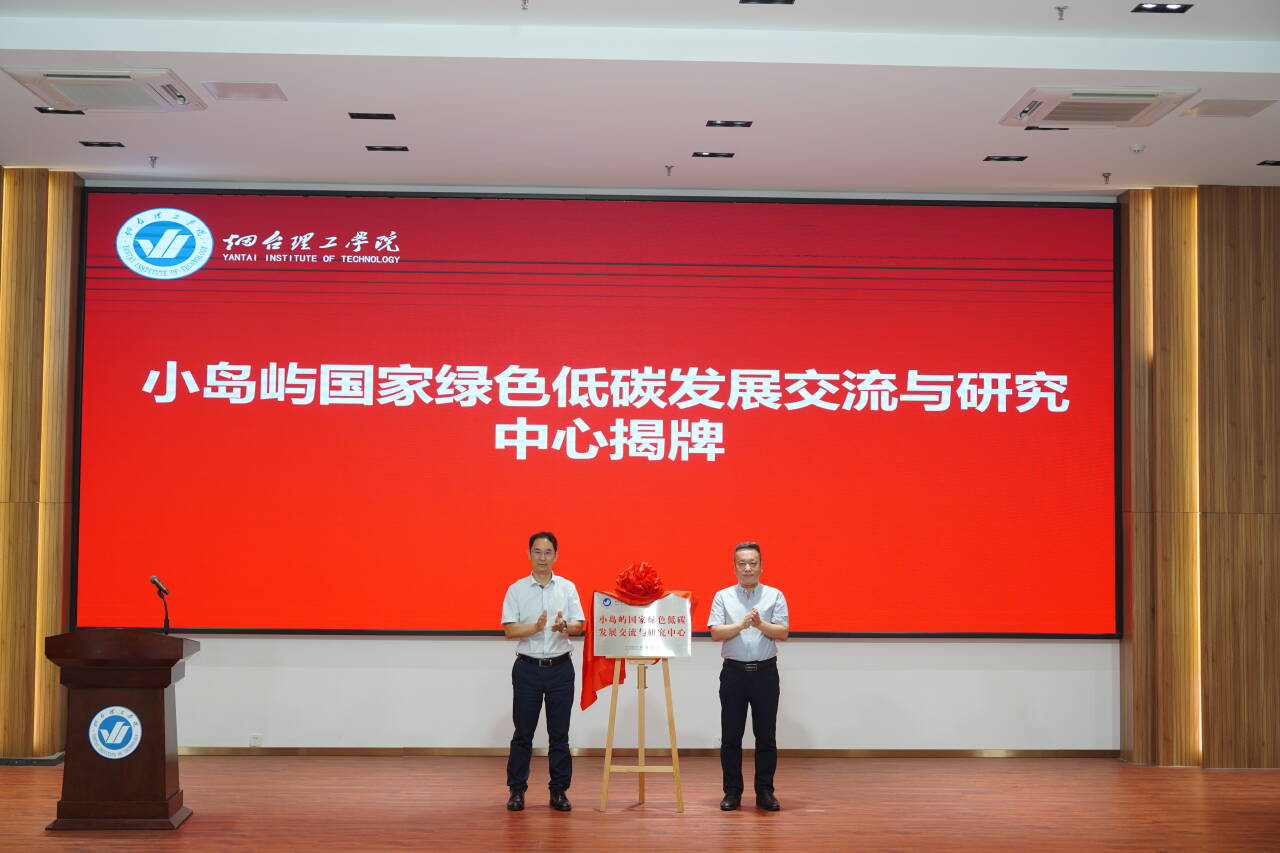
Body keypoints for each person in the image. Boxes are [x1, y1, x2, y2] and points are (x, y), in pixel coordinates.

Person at [501, 531, 584, 812]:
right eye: (537, 552)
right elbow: (510, 630)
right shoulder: (516, 590)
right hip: (527, 669)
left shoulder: (567, 588)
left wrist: (564, 626)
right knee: (523, 733)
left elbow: (578, 626)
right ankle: (517, 790)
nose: (542, 558)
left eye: (548, 552)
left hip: (561, 669)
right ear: (529, 554)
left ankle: (559, 791)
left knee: (559, 734)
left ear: (556, 556)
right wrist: (535, 628)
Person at [707, 540, 790, 812]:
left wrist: (760, 623)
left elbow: (783, 633)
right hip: (734, 674)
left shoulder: (775, 595)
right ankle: (732, 791)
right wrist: (742, 624)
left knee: (766, 735)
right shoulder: (723, 596)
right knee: (731, 735)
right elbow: (716, 632)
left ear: (761, 566)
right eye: (742, 563)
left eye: (752, 563)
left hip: (765, 674)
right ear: (734, 567)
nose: (747, 568)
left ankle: (765, 791)